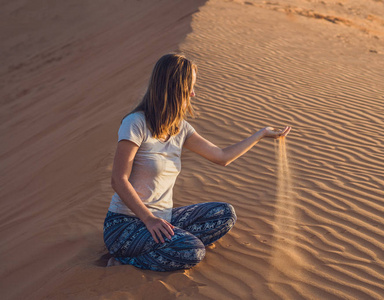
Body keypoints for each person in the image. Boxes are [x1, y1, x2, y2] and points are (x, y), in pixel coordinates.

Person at [103, 53, 291, 271]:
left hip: (164, 219)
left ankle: (165, 244)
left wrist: (261, 134)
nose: (193, 93)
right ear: (173, 87)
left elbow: (221, 157)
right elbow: (118, 180)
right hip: (125, 223)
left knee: (224, 214)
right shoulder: (135, 124)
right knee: (193, 251)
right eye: (189, 86)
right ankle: (125, 261)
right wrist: (149, 219)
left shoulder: (180, 128)